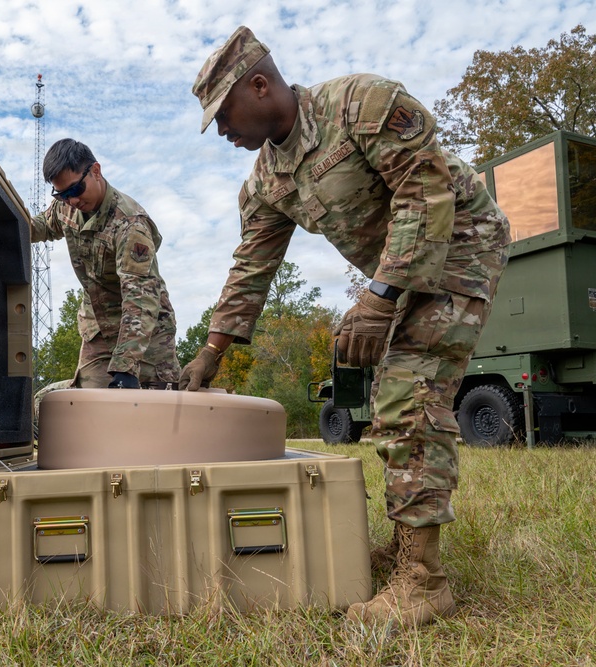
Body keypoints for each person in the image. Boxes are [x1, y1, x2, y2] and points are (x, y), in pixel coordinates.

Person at [185, 26, 510, 629]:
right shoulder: (264, 183)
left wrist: (378, 296)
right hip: (400, 272)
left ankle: (424, 583)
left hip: (463, 241)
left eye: (225, 114)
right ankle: (411, 551)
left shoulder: (360, 104)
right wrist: (211, 351)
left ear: (260, 85)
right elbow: (251, 267)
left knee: (406, 392)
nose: (222, 131)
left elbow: (426, 191)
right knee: (397, 392)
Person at [29, 138, 180, 389]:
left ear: (96, 171)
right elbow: (41, 226)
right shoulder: (65, 208)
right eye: (62, 194)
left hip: (146, 337)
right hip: (98, 330)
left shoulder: (130, 224)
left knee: (154, 413)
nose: (72, 201)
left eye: (75, 190)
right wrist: (4, 221)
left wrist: (126, 366)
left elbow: (140, 298)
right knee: (87, 410)